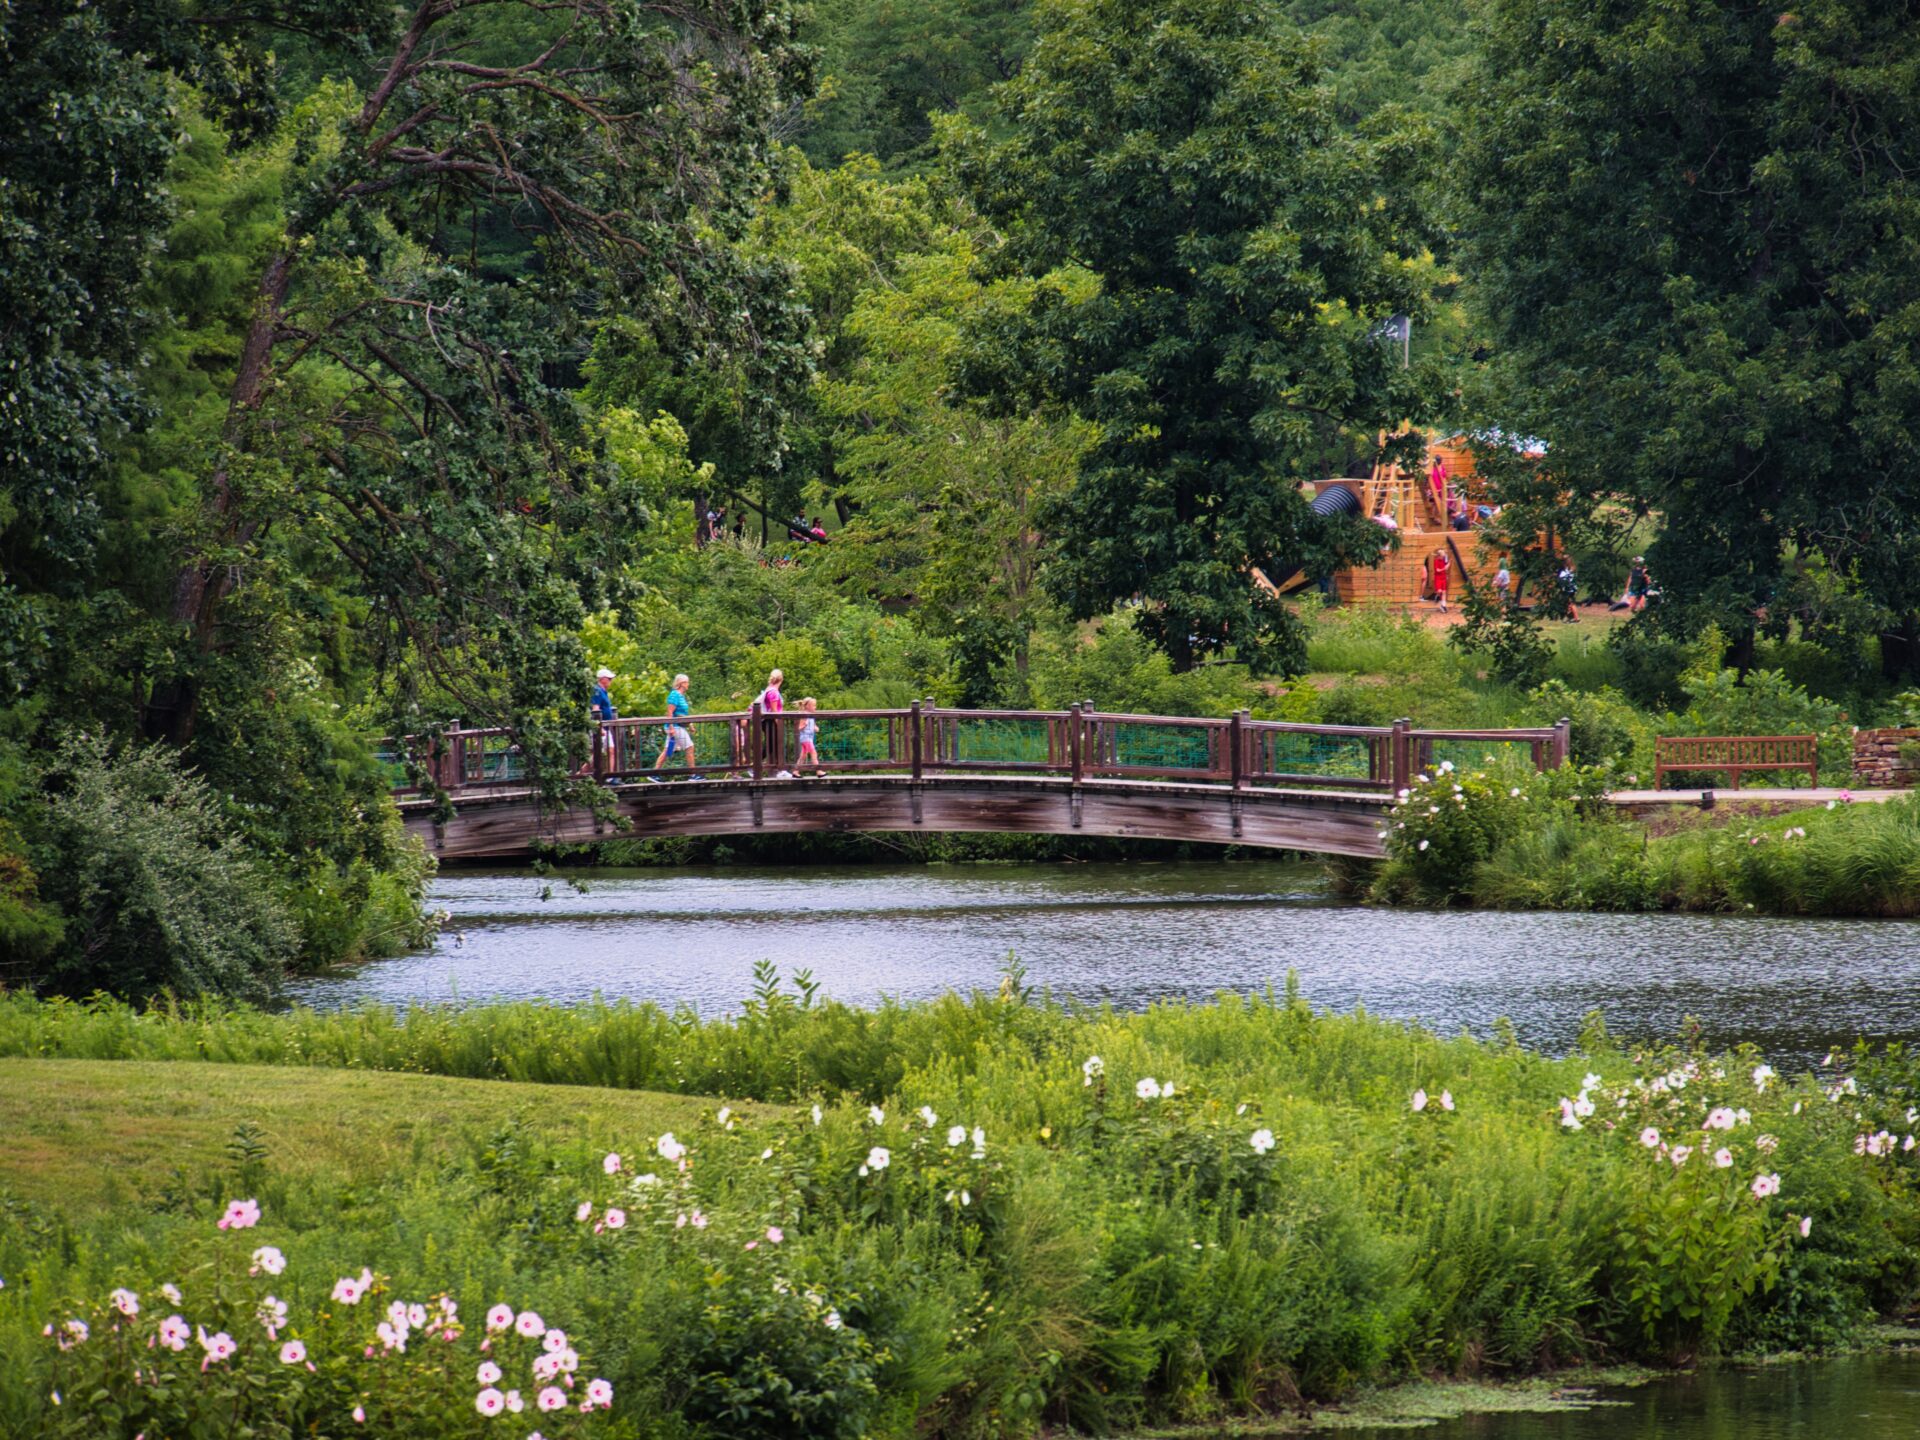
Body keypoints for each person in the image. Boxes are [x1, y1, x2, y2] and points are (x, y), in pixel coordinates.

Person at [653, 673, 695, 772]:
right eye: (687, 682)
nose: (688, 684)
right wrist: (671, 728)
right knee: (690, 747)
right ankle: (693, 774)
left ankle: (654, 773)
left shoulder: (681, 696)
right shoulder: (674, 695)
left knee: (667, 750)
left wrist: (690, 724)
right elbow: (670, 712)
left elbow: (682, 713)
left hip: (678, 726)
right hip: (675, 727)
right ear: (682, 683)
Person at [757, 667, 784, 767]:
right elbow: (774, 710)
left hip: (768, 721)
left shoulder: (769, 689)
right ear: (781, 679)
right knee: (771, 745)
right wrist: (778, 723)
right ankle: (755, 765)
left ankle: (778, 768)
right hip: (771, 721)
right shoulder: (773, 692)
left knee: (773, 745)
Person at [796, 697, 821, 774]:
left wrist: (815, 728)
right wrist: (805, 725)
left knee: (803, 756)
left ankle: (796, 771)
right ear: (808, 706)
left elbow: (813, 726)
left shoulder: (811, 716)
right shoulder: (805, 715)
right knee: (813, 753)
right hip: (805, 738)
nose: (815, 707)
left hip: (809, 738)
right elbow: (800, 728)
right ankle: (818, 771)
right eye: (813, 705)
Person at [1430, 547, 1451, 613]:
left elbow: (1446, 568)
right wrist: (1444, 568)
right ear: (1439, 556)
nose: (1443, 557)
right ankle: (1437, 596)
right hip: (1438, 578)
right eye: (1442, 556)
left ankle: (1443, 606)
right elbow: (1437, 570)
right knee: (1440, 591)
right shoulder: (1436, 561)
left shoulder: (1443, 560)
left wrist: (1449, 563)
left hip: (1443, 577)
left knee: (1444, 592)